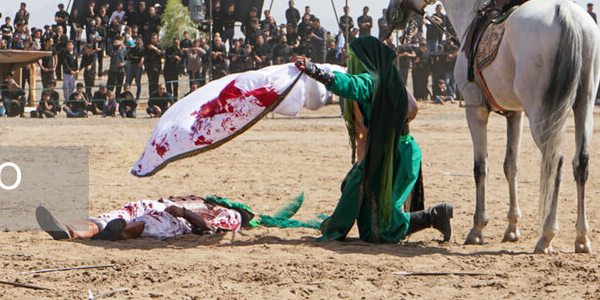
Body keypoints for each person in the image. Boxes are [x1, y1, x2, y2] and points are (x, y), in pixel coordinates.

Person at [295, 36, 452, 243]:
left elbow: (347, 84)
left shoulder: (372, 82)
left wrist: (312, 69)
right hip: (405, 150)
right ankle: (430, 216)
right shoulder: (393, 79)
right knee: (367, 218)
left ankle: (434, 215)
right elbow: (413, 109)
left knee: (380, 230)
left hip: (392, 157)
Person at [35, 195, 249, 241]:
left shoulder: (230, 215)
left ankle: (116, 233)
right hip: (152, 205)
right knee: (108, 217)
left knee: (141, 225)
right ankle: (68, 230)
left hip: (175, 220)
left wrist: (185, 213)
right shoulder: (203, 199)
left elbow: (206, 227)